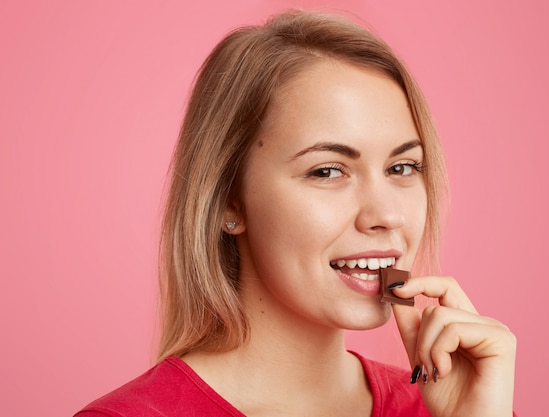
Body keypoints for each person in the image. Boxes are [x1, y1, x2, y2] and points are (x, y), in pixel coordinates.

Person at [75, 9, 516, 417]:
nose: (387, 216)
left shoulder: (455, 406)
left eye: (402, 167)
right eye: (327, 171)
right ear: (229, 200)